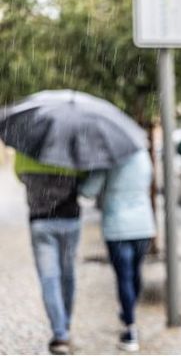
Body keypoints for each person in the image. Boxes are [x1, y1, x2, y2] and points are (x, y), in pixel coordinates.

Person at [80, 149, 155, 352]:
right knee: (135, 273)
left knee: (124, 276)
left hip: (117, 226)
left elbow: (89, 190)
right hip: (143, 224)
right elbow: (148, 180)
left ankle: (130, 329)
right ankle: (128, 310)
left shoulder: (107, 157)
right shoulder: (142, 155)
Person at [15, 152, 82, 355]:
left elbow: (19, 175)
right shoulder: (71, 145)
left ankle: (60, 334)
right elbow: (86, 175)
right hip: (70, 218)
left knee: (49, 278)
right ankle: (66, 325)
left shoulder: (26, 148)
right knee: (68, 274)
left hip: (40, 220)